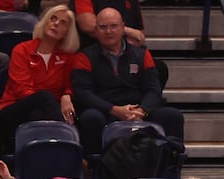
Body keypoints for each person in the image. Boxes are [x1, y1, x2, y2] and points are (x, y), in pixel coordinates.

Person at [69, 6, 183, 155]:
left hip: (137, 109)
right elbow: (83, 93)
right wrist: (114, 110)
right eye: (103, 27)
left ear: (123, 28)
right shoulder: (84, 57)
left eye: (113, 26)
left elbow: (153, 89)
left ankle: (170, 166)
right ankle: (95, 168)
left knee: (172, 116)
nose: (108, 31)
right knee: (90, 118)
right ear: (96, 31)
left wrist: (142, 110)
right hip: (105, 110)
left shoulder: (142, 54)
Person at [0, 5, 79, 152]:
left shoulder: (67, 57)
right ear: (44, 22)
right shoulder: (21, 50)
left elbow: (69, 84)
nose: (56, 23)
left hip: (43, 113)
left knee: (39, 115)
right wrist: (45, 101)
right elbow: (21, 90)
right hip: (11, 111)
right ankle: (69, 145)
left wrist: (66, 95)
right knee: (44, 97)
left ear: (67, 33)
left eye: (63, 23)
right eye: (53, 18)